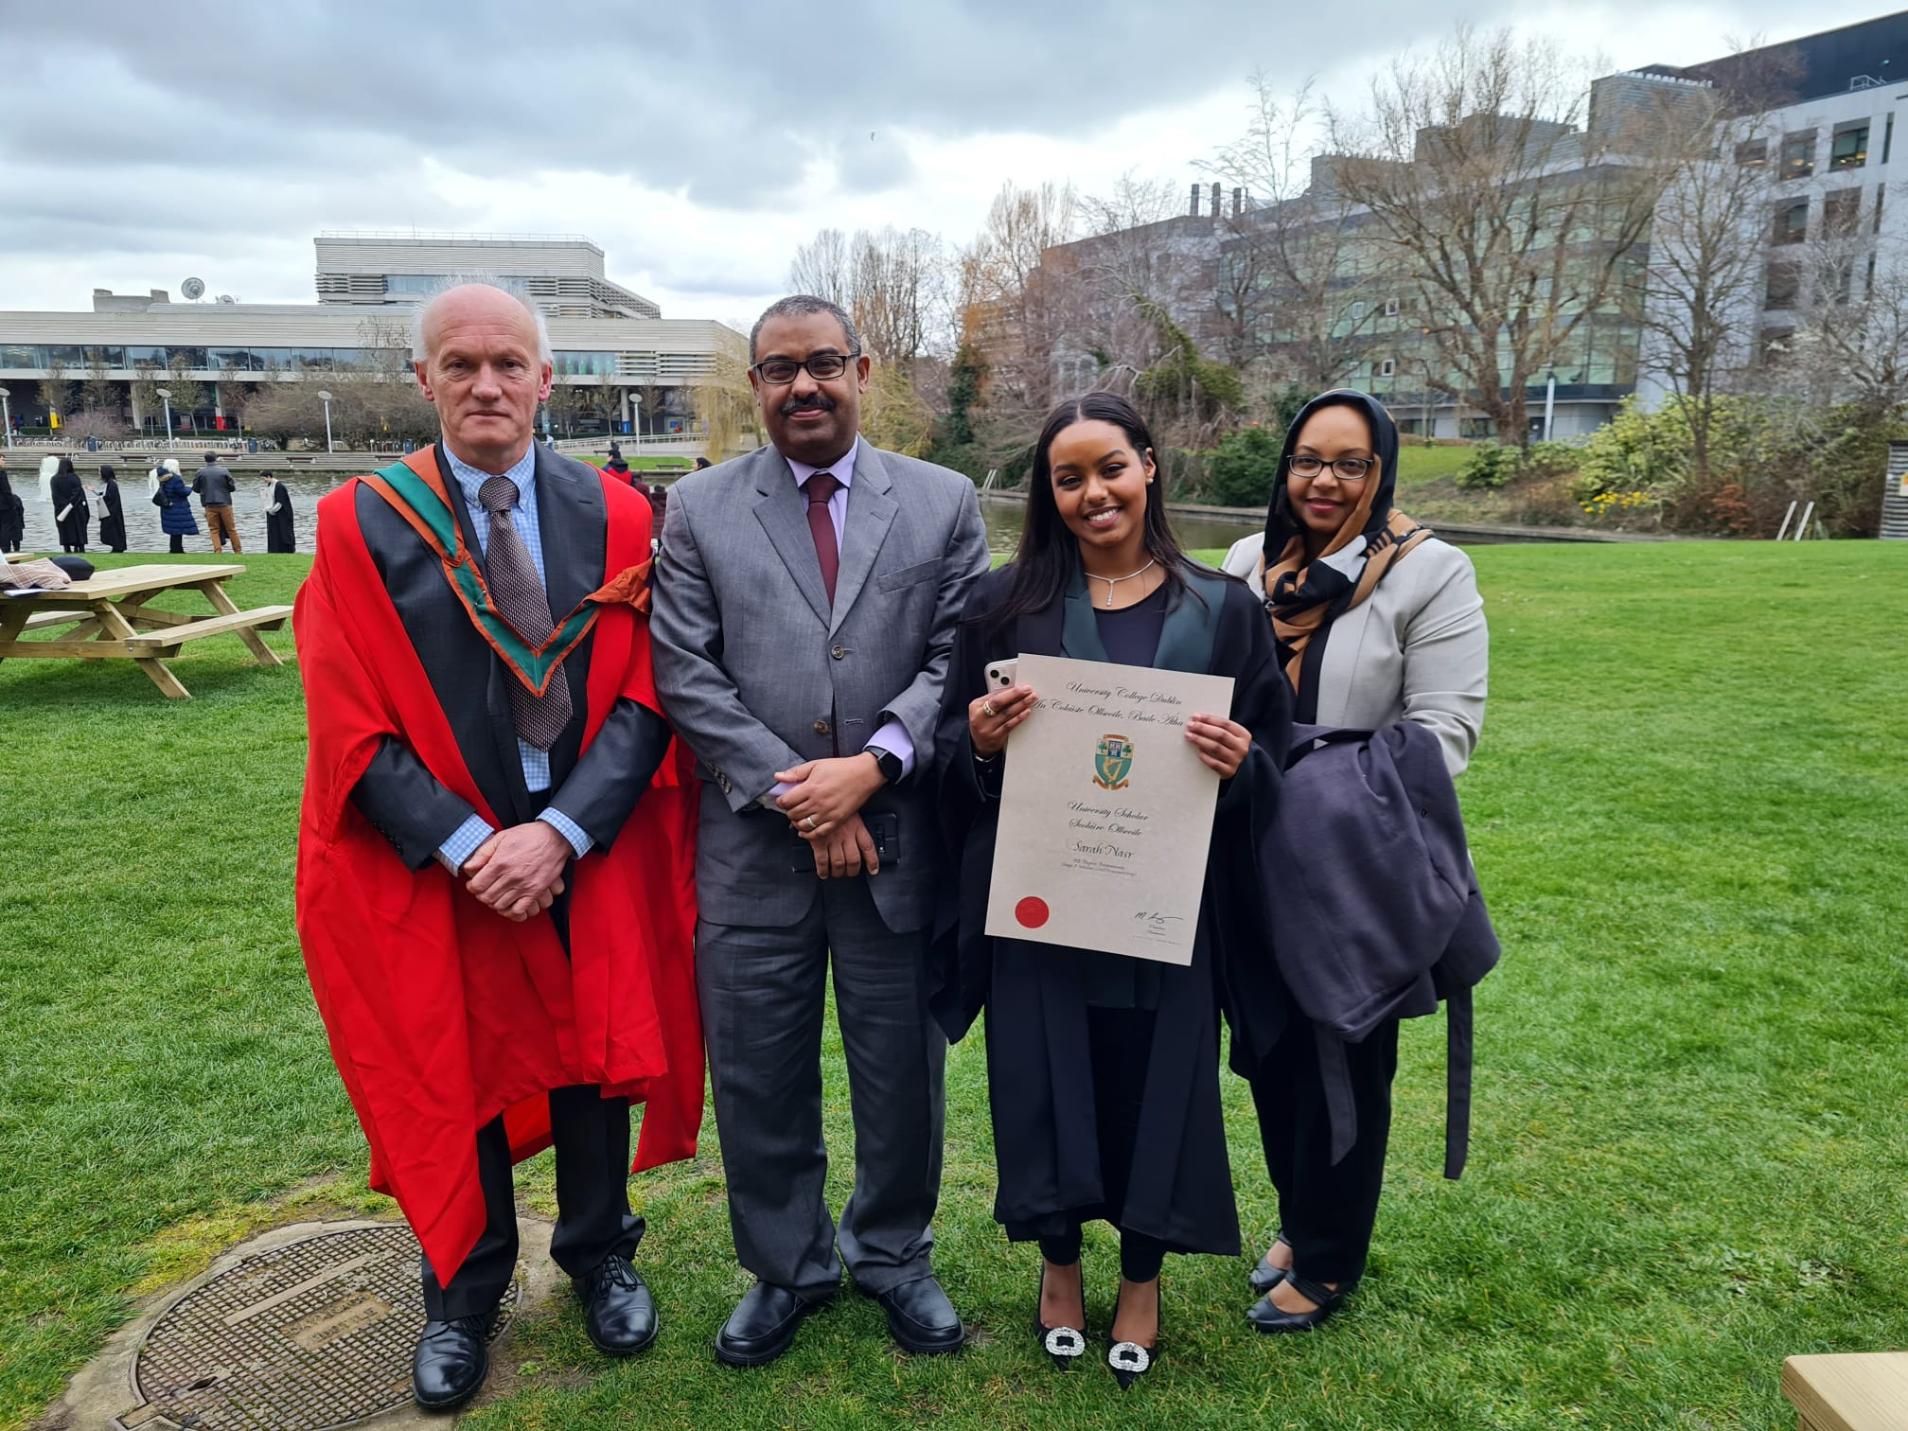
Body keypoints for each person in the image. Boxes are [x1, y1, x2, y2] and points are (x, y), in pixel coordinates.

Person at [293, 282, 704, 1411]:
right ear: (422, 379)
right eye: (461, 364)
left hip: (583, 841)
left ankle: (598, 1250)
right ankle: (463, 1290)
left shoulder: (617, 516)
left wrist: (561, 832)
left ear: (546, 379)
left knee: (592, 1046)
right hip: (447, 859)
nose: (487, 384)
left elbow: (646, 698)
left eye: (509, 364)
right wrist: (476, 845)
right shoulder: (361, 525)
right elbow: (348, 723)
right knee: (455, 1059)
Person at [652, 294, 988, 1368]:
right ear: (754, 385)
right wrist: (803, 795)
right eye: (780, 369)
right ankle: (785, 1268)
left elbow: (957, 659)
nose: (805, 385)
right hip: (755, 852)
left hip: (897, 849)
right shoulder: (699, 509)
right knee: (758, 1076)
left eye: (825, 364)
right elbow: (685, 673)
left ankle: (894, 1254)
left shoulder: (942, 504)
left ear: (864, 370)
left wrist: (873, 767)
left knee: (902, 1077)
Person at [933, 393, 1292, 1387]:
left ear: (1150, 467)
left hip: (1170, 906)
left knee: (1158, 1084)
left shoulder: (1225, 610)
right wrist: (977, 740)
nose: (1094, 493)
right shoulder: (1006, 609)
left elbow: (1280, 758)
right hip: (1044, 902)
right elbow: (949, 758)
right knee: (1046, 1081)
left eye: (1111, 468)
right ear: (1049, 494)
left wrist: (1245, 761)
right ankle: (1059, 1264)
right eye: (1068, 477)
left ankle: (1141, 1277)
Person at [1220, 389, 1488, 1332]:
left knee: (1343, 1050)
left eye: (1349, 463)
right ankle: (1300, 1217)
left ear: (1380, 473)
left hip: (1351, 857)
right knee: (1266, 1046)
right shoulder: (1249, 564)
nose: (1323, 480)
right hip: (1248, 845)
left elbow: (1446, 732)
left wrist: (1315, 772)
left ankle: (1331, 1256)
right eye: (1307, 459)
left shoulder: (1430, 573)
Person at [193, 450, 242, 554]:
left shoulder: (200, 472)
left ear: (205, 459)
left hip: (209, 503)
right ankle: (237, 550)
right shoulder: (224, 471)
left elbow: (196, 488)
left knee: (213, 529)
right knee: (231, 529)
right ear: (216, 458)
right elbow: (232, 487)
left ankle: (217, 550)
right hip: (224, 503)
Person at [154, 458, 198, 554]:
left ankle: (174, 548)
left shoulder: (163, 477)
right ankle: (177, 549)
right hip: (177, 506)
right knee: (178, 529)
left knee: (174, 530)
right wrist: (190, 488)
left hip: (167, 506)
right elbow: (182, 492)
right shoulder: (175, 479)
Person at [51, 457, 89, 553]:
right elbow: (77, 493)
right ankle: (80, 548)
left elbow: (55, 495)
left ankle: (67, 548)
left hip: (61, 509)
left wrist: (64, 505)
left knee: (65, 530)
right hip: (76, 509)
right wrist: (71, 504)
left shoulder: (54, 479)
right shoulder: (74, 477)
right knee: (78, 530)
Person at [95, 464, 127, 553]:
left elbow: (110, 498)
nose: (99, 474)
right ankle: (116, 546)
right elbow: (107, 495)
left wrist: (100, 499)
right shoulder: (110, 483)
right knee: (113, 531)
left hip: (112, 512)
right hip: (112, 511)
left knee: (113, 530)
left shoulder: (112, 484)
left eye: (99, 472)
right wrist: (95, 492)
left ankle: (117, 547)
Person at [262, 470, 295, 553]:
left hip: (283, 514)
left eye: (264, 478)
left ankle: (286, 550)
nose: (264, 481)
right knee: (273, 532)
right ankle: (274, 550)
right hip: (273, 513)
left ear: (269, 477)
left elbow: (281, 502)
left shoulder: (279, 486)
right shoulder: (269, 486)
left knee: (284, 532)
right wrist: (267, 509)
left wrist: (272, 510)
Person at [0, 456, 24, 554]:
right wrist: (13, 504)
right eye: (2, 459)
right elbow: (6, 491)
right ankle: (5, 548)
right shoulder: (1, 474)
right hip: (4, 505)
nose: (4, 461)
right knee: (6, 527)